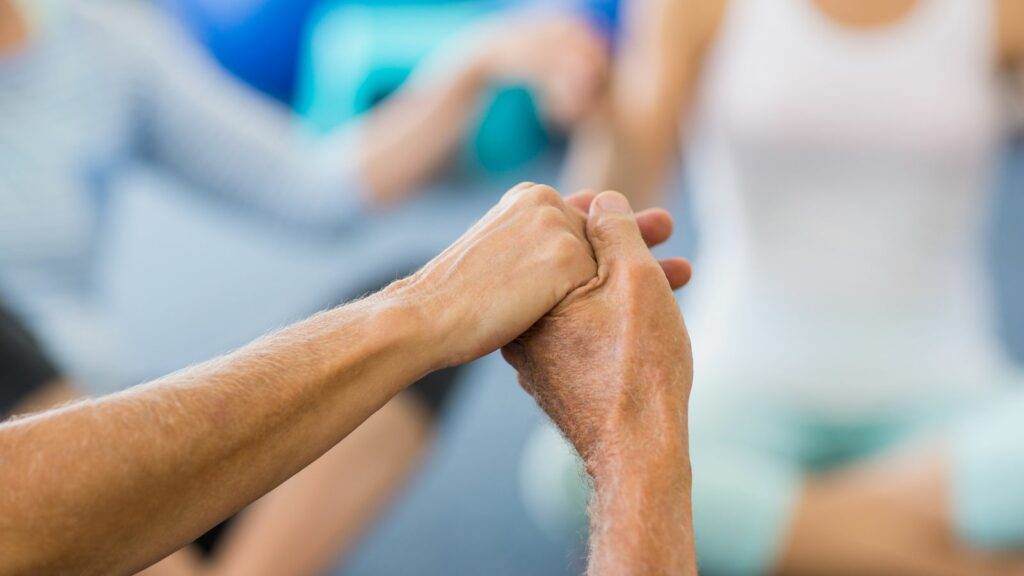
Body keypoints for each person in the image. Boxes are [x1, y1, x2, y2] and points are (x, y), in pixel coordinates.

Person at [0, 0, 606, 573]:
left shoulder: (97, 40)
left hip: (106, 416)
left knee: (426, 312)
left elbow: (315, 188)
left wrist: (473, 63)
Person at [0, 187, 695, 576]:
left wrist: (427, 311)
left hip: (75, 418)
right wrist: (636, 430)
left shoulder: (95, 37)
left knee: (409, 350)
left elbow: (307, 177)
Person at [562, 0, 1024, 574]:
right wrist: (606, 119)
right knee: (569, 466)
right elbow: (612, 207)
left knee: (632, 503)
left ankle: (773, 529)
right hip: (740, 372)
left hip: (944, 377)